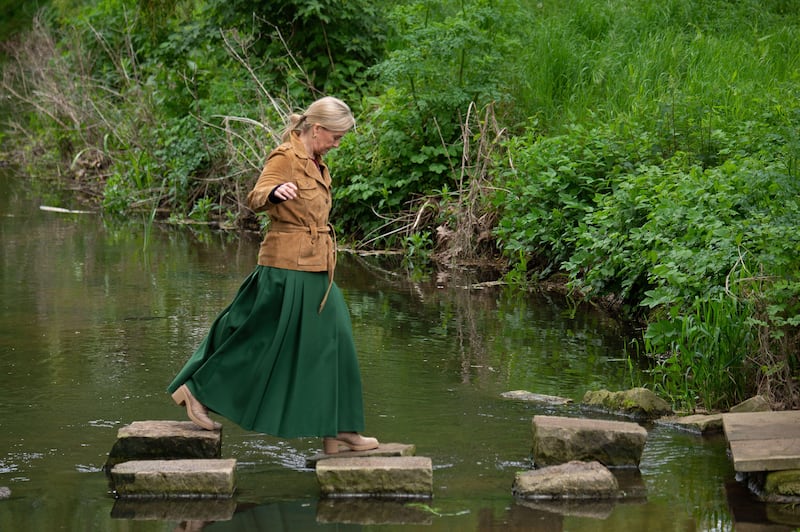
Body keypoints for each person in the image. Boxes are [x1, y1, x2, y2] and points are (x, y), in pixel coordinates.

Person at [167, 96, 379, 455]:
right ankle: (197, 389)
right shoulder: (286, 156)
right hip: (285, 268)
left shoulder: (316, 161)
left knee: (336, 340)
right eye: (336, 136)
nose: (338, 143)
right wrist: (276, 194)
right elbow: (256, 196)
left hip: (316, 268)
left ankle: (339, 431)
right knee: (259, 340)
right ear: (316, 129)